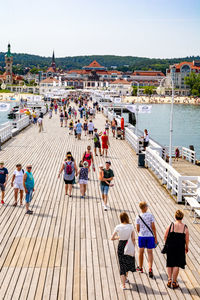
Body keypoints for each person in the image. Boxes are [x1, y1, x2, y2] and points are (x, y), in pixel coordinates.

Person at [164, 210, 189, 289]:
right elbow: (187, 239)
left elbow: (165, 236)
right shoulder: (185, 227)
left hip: (171, 246)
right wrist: (186, 247)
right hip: (180, 248)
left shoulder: (171, 225)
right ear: (182, 217)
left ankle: (169, 280)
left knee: (170, 262)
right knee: (176, 264)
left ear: (175, 217)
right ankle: (174, 282)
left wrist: (166, 244)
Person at [111, 212, 136, 290]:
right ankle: (126, 278)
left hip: (121, 246)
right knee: (128, 262)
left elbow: (112, 238)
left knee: (122, 264)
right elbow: (133, 238)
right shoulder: (131, 226)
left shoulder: (118, 227)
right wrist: (134, 247)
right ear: (127, 218)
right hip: (129, 245)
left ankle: (123, 285)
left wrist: (118, 237)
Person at [136, 201, 157, 278]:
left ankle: (140, 267)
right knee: (150, 253)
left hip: (142, 236)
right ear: (145, 207)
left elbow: (137, 228)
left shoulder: (138, 216)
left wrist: (141, 233)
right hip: (150, 236)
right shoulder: (151, 215)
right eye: (147, 206)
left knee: (141, 252)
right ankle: (150, 268)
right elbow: (153, 227)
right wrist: (155, 237)